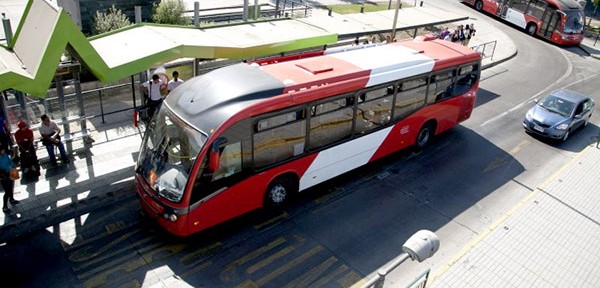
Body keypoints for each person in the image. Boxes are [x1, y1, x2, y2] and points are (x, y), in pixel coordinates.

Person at [0, 146, 18, 213]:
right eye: (2, 150)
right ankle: (5, 206)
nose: (3, 151)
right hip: (4, 175)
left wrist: (13, 167)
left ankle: (11, 199)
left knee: (11, 187)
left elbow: (10, 161)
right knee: (7, 191)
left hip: (11, 172)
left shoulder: (5, 155)